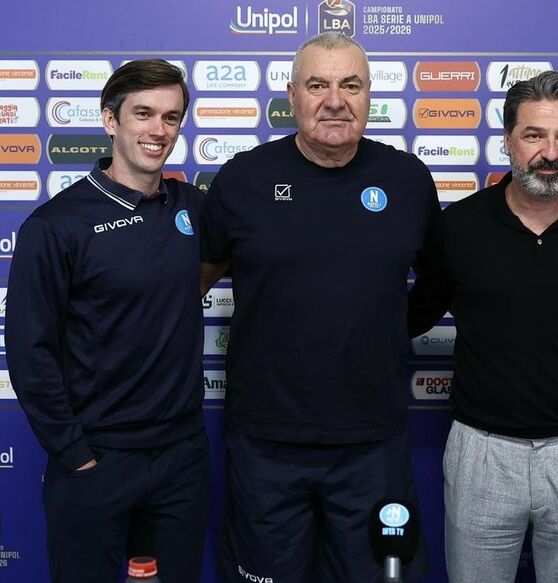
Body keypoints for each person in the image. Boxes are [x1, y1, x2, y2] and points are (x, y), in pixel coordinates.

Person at [199, 32, 438, 583]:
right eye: (317, 85)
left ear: (369, 94)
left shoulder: (406, 180)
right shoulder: (243, 178)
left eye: (350, 85)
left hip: (372, 443)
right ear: (292, 96)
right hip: (266, 443)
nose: (335, 100)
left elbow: (438, 282)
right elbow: (197, 279)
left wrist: (382, 331)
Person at [408, 71, 558, 583]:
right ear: (508, 140)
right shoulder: (459, 226)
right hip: (482, 453)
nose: (550, 152)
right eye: (534, 135)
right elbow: (412, 314)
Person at [5, 59, 209, 583]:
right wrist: (75, 455)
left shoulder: (194, 208)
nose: (158, 129)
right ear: (110, 119)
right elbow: (30, 351)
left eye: (170, 117)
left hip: (181, 460)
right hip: (96, 461)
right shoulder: (56, 225)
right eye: (143, 113)